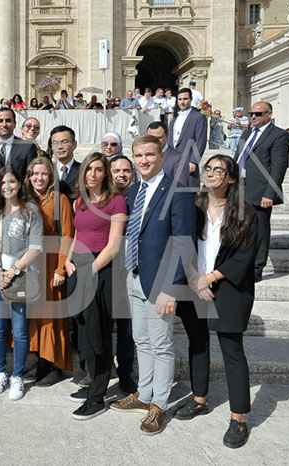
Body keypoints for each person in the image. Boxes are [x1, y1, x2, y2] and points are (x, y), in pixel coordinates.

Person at [109, 135, 195, 435]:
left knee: (161, 344)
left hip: (160, 281)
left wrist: (171, 288)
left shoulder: (177, 191)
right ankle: (144, 395)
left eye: (149, 154)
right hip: (134, 275)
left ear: (161, 156)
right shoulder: (134, 190)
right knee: (141, 340)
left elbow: (183, 242)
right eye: (138, 155)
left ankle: (159, 404)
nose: (143, 160)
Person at [174, 154, 258, 449]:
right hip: (195, 284)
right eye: (208, 168)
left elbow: (244, 257)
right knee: (197, 344)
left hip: (229, 288)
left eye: (218, 169)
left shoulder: (246, 211)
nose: (210, 173)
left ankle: (239, 418)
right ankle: (200, 399)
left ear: (231, 178)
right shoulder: (194, 206)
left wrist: (208, 279)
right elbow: (182, 243)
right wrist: (194, 278)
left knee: (232, 351)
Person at [66, 152, 131, 420]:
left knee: (99, 333)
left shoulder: (116, 202)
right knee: (82, 331)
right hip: (79, 267)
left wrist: (89, 271)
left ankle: (97, 398)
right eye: (88, 169)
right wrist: (68, 260)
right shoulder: (79, 201)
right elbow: (77, 234)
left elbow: (114, 246)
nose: (92, 174)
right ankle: (94, 382)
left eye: (98, 169)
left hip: (101, 271)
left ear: (106, 174)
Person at [0, 169, 44, 401]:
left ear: (19, 184)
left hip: (19, 276)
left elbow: (36, 247)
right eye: (2, 182)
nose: (7, 186)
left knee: (19, 330)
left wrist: (12, 271)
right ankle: (0, 373)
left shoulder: (30, 211)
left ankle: (17, 376)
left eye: (12, 181)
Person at [25, 157, 74, 386]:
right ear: (29, 176)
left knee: (51, 316)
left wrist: (60, 268)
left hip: (51, 264)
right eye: (35, 174)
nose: (39, 178)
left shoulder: (58, 199)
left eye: (44, 174)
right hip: (30, 265)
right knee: (34, 315)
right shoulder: (24, 199)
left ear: (51, 176)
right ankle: (40, 361)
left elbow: (67, 235)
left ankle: (55, 365)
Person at [236, 101, 289, 282]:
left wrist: (270, 193)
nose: (253, 117)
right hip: (240, 188)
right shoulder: (247, 133)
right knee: (241, 229)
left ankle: (257, 269)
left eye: (258, 114)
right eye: (251, 114)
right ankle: (242, 264)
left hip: (260, 192)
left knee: (259, 231)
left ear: (269, 114)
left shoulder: (279, 135)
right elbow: (238, 159)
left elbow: (278, 168)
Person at [165, 87, 207, 187]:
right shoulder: (173, 121)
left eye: (185, 99)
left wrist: (194, 161)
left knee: (188, 192)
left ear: (191, 99)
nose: (182, 102)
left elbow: (200, 141)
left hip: (188, 161)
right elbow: (170, 142)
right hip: (173, 162)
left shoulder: (199, 117)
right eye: (180, 99)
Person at [0, 107, 38, 177]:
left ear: (15, 124)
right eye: (0, 121)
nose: (4, 124)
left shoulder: (27, 147)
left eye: (8, 121)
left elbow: (31, 176)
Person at [50, 125, 81, 201]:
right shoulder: (47, 171)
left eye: (64, 142)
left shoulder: (84, 170)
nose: (60, 147)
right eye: (55, 143)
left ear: (74, 144)